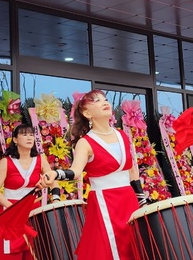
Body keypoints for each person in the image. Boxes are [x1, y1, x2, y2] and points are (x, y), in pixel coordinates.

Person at [41, 90, 147, 260]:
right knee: (108, 249)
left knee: (135, 248)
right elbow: (75, 172)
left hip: (128, 200)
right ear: (87, 113)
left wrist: (142, 201)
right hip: (105, 202)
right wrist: (56, 174)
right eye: (97, 101)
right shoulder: (85, 142)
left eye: (105, 99)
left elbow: (132, 170)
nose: (104, 102)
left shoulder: (122, 135)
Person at [0, 123, 58, 210]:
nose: (29, 138)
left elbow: (53, 180)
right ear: (15, 140)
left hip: (33, 207)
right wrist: (11, 207)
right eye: (24, 135)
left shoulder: (40, 160)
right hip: (10, 207)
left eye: (31, 135)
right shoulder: (5, 162)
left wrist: (56, 198)